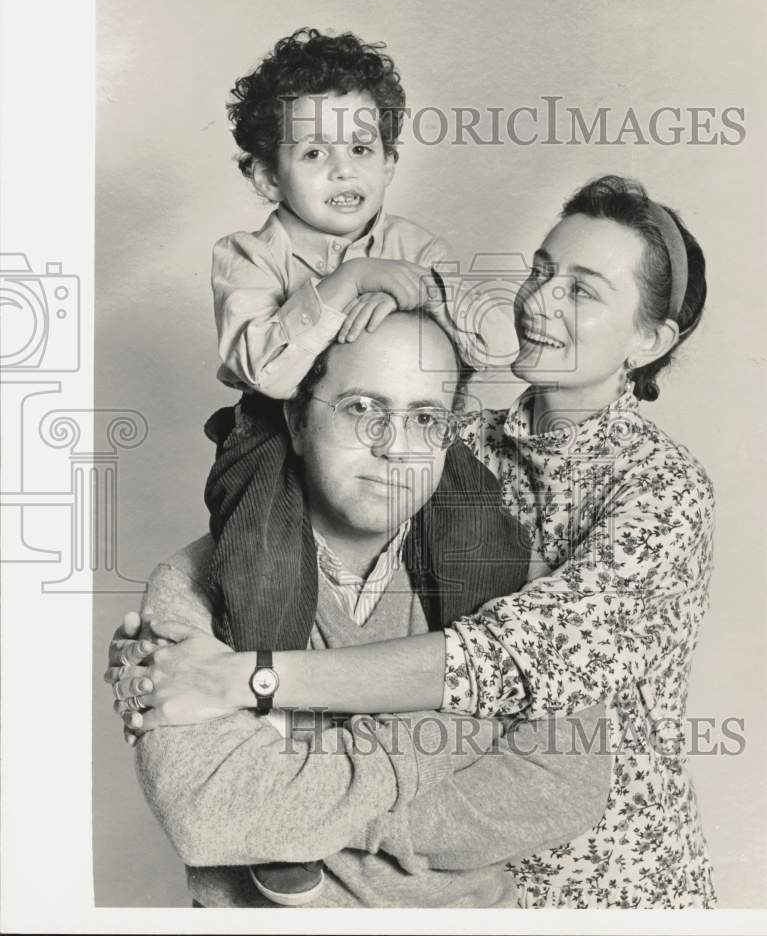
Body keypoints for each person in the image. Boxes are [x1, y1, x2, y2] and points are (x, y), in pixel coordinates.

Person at [116, 174, 717, 908]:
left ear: (650, 339)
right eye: (539, 271)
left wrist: (248, 679)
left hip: (602, 876)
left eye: (582, 290)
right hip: (446, 875)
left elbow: (502, 664)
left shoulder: (661, 490)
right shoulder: (455, 443)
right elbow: (272, 519)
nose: (537, 301)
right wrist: (156, 653)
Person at [108, 310, 610, 908]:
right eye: (360, 408)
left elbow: (566, 789)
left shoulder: (508, 572)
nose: (394, 447)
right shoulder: (190, 585)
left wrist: (302, 819)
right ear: (296, 420)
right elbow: (209, 816)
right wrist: (480, 718)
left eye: (426, 418)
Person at [204, 27, 520, 903]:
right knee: (259, 575)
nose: (343, 169)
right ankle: (280, 786)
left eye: (362, 147)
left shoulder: (412, 241)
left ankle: (474, 719)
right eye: (313, 151)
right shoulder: (249, 256)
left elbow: (466, 348)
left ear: (388, 158)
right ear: (267, 177)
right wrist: (344, 288)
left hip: (403, 431)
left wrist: (401, 287)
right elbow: (266, 368)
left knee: (485, 536)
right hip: (272, 439)